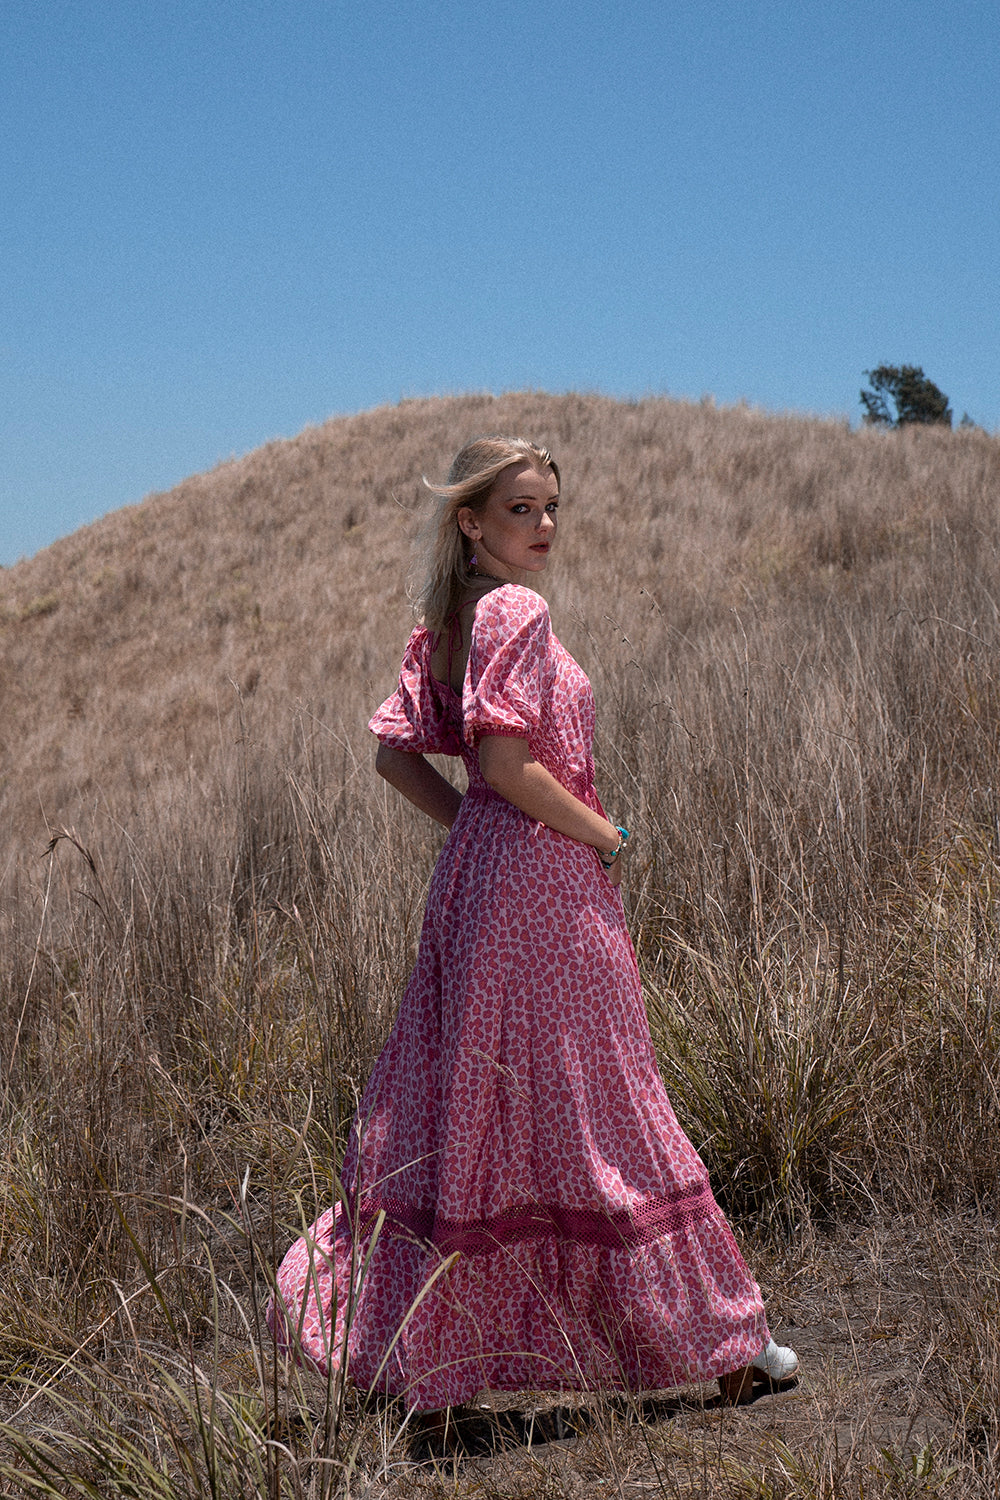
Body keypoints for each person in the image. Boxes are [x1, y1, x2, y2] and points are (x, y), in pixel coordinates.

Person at [269, 436, 798, 1416]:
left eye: (552, 507)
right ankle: (725, 1336)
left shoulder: (452, 616)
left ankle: (431, 1359)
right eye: (521, 509)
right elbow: (509, 764)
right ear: (470, 521)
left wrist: (477, 827)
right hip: (543, 885)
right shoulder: (516, 608)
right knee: (606, 1099)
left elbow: (398, 759)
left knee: (482, 1105)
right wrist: (608, 834)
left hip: (479, 883)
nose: (544, 526)